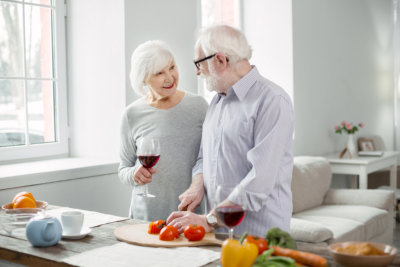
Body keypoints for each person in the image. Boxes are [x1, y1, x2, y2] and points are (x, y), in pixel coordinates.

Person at [166, 25, 294, 237]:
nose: (197, 72)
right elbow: (203, 158)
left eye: (199, 63)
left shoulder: (273, 101)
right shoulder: (217, 101)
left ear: (220, 60)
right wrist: (197, 185)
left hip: (260, 236)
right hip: (218, 235)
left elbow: (258, 181)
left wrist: (208, 220)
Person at [118, 40, 208, 221]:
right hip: (145, 216)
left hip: (191, 215)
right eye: (159, 73)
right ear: (143, 78)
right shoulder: (132, 114)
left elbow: (209, 159)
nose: (170, 77)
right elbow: (123, 169)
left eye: (172, 67)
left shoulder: (199, 106)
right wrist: (134, 174)